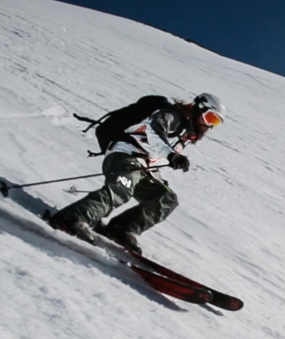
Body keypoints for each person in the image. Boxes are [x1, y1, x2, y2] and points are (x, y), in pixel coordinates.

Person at [48, 93, 225, 255]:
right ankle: (74, 217)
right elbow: (152, 132)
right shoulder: (172, 116)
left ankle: (121, 229)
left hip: (143, 168)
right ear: (200, 108)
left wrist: (159, 177)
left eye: (215, 123)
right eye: (210, 118)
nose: (209, 125)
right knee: (121, 189)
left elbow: (154, 157)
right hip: (125, 155)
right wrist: (171, 155)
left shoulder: (185, 134)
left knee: (166, 199)